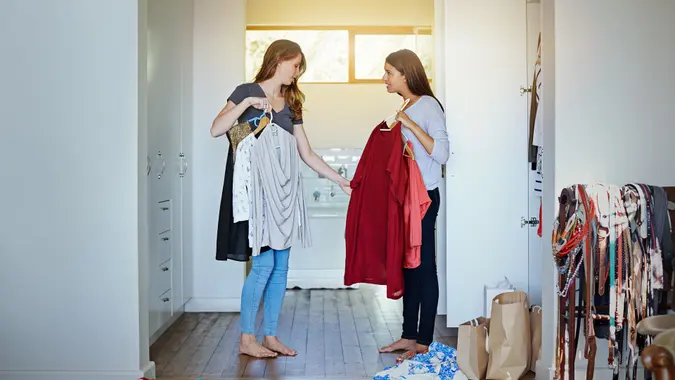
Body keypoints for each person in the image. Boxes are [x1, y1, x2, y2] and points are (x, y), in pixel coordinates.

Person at [210, 39, 351, 358]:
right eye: (295, 64)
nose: (298, 71)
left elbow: (307, 153)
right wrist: (246, 104)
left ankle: (270, 336)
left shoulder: (291, 101)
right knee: (262, 266)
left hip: (284, 194)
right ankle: (248, 339)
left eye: (300, 66)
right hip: (256, 195)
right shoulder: (245, 91)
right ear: (279, 59)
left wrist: (341, 180)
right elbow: (217, 129)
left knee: (281, 266)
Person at [377, 49, 450, 362]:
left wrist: (408, 124)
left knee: (423, 268)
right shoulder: (406, 105)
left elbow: (442, 153)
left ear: (406, 74)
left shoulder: (428, 106)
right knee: (408, 267)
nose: (385, 79)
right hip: (407, 198)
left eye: (389, 72)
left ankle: (424, 341)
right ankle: (408, 335)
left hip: (425, 198)